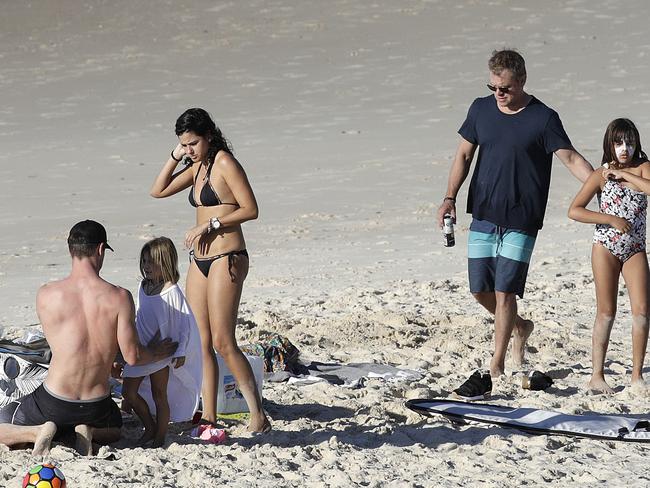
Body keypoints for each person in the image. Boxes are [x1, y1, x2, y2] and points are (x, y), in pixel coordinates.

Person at [437, 49, 593, 400]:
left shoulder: (543, 117)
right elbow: (463, 154)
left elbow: (570, 158)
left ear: (521, 81)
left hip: (522, 218)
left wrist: (601, 188)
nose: (498, 94)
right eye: (493, 86)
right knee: (480, 289)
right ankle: (520, 327)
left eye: (504, 87)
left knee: (506, 291)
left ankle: (496, 364)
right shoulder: (480, 109)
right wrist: (449, 197)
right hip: (484, 213)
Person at [0, 220, 178, 455]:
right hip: (95, 405)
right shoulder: (120, 297)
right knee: (116, 427)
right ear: (101, 249)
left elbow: (68, 343)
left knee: (5, 420)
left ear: (70, 249)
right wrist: (156, 351)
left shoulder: (46, 294)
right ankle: (89, 432)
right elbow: (132, 356)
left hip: (55, 400)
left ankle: (36, 432)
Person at [150, 108, 270, 432]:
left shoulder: (224, 163)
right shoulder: (197, 166)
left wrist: (212, 224)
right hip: (198, 260)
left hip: (226, 255)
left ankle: (257, 414)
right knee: (200, 340)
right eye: (184, 145)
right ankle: (209, 415)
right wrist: (175, 156)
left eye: (192, 143)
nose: (189, 150)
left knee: (222, 340)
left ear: (208, 136)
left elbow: (251, 209)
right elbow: (157, 190)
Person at [568, 118, 650, 394]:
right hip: (605, 247)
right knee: (606, 311)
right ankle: (597, 375)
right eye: (618, 143)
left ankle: (637, 375)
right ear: (610, 145)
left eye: (629, 142)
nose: (624, 148)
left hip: (635, 248)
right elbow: (575, 210)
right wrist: (610, 219)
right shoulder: (600, 175)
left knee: (641, 311)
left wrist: (626, 175)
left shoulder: (643, 169)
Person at [122, 237, 202, 447]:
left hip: (162, 351)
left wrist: (181, 351)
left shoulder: (171, 290)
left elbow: (185, 322)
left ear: (165, 263)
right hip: (142, 349)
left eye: (152, 262)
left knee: (160, 395)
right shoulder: (143, 286)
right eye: (144, 261)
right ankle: (149, 426)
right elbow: (141, 314)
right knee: (128, 393)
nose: (146, 267)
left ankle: (159, 437)